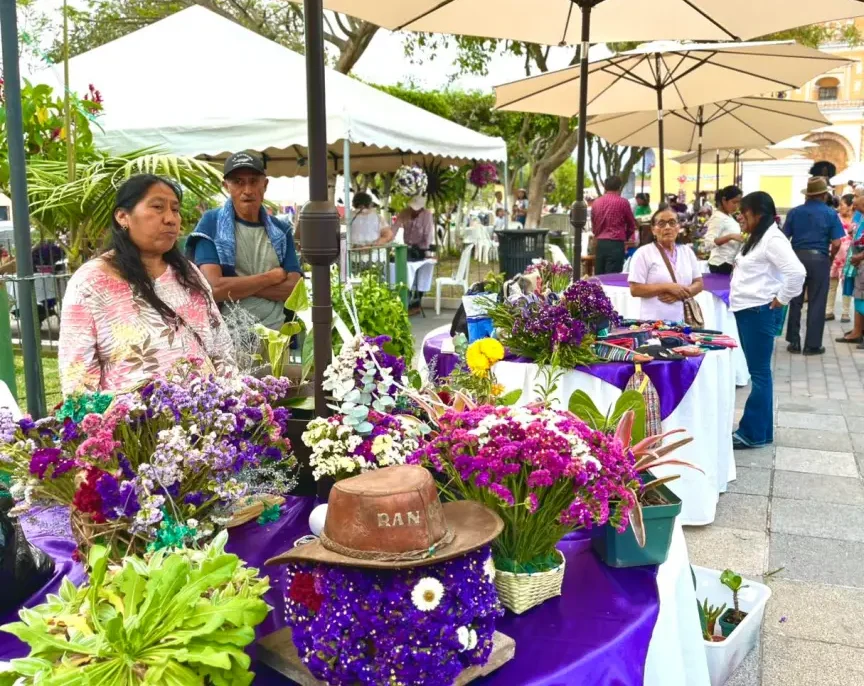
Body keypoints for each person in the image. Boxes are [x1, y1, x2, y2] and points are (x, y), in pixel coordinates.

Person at [59, 175, 235, 396]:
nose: (170, 219)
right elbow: (77, 378)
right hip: (131, 417)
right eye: (158, 207)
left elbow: (222, 348)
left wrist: (232, 401)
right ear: (123, 216)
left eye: (175, 210)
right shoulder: (91, 281)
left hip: (207, 412)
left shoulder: (189, 274)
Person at [188, 152, 301, 332]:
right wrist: (270, 278)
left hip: (277, 334)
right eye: (238, 182)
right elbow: (213, 288)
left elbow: (294, 290)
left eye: (253, 181)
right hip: (228, 335)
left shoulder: (281, 230)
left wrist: (235, 286)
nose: (247, 190)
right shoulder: (211, 223)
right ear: (226, 186)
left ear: (265, 185)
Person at [730, 192, 805, 449]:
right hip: (749, 311)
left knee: (760, 373)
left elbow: (797, 273)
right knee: (760, 372)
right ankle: (761, 431)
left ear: (759, 213)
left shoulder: (773, 239)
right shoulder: (759, 237)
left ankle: (752, 432)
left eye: (744, 212)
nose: (740, 217)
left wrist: (781, 299)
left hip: (758, 312)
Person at [783, 176, 845, 355]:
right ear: (824, 195)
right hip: (819, 259)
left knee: (795, 300)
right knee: (817, 302)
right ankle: (812, 345)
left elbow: (784, 238)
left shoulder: (794, 212)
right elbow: (837, 243)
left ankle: (794, 342)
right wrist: (830, 258)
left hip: (796, 258)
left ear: (808, 194)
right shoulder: (830, 213)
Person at [628, 207, 703, 321]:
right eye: (661, 224)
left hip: (685, 321)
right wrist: (667, 287)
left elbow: (699, 283)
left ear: (678, 227)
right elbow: (635, 289)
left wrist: (680, 293)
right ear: (653, 230)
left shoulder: (687, 252)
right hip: (655, 322)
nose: (667, 227)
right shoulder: (643, 253)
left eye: (672, 223)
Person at [591, 176, 637, 275]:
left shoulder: (596, 202)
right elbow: (631, 225)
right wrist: (625, 237)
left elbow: (594, 225)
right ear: (619, 187)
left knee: (599, 276)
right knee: (612, 277)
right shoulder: (623, 202)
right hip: (616, 243)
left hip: (600, 243)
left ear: (605, 187)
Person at [705, 186, 744, 275]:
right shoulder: (717, 218)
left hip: (729, 263)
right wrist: (731, 236)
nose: (737, 206)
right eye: (734, 202)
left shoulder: (728, 216)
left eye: (738, 203)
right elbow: (708, 243)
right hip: (721, 264)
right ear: (724, 200)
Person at [827, 194, 855, 323]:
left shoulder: (857, 220)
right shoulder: (835, 218)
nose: (840, 207)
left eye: (842, 205)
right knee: (832, 285)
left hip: (850, 258)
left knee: (847, 285)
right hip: (835, 256)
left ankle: (845, 312)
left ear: (850, 206)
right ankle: (829, 311)